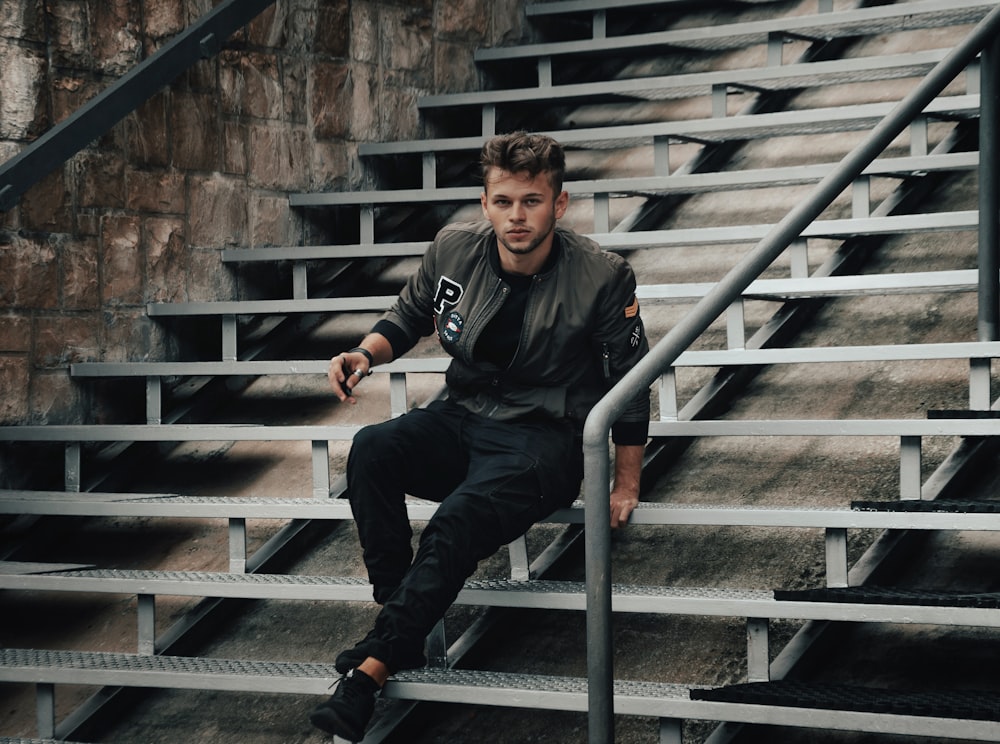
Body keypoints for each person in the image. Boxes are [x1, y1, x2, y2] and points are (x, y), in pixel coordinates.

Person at [309, 132, 650, 741]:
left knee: (455, 521)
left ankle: (368, 674)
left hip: (541, 440)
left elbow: (629, 381)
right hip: (463, 414)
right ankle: (399, 618)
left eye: (531, 201)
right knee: (372, 450)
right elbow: (410, 315)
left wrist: (625, 482)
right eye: (503, 202)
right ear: (486, 202)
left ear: (559, 203)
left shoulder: (602, 276)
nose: (517, 217)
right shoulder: (454, 249)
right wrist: (364, 352)